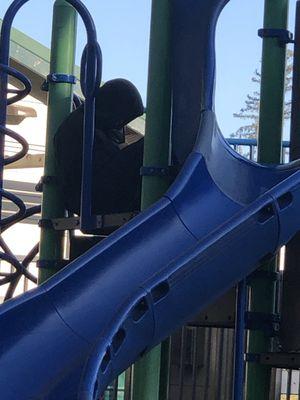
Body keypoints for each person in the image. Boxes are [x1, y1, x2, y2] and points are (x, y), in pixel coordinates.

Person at [54, 79, 144, 216]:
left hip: (95, 196)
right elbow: (108, 169)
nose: (120, 124)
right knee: (148, 147)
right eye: (121, 119)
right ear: (114, 107)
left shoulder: (93, 123)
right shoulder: (82, 125)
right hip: (93, 198)